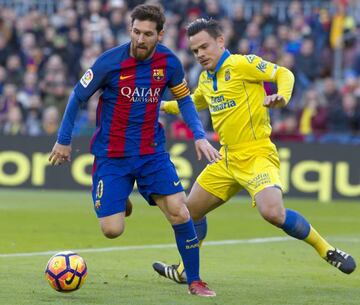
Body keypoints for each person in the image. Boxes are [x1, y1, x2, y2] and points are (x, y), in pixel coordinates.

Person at [152, 18, 356, 284]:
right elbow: (189, 104)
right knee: (188, 213)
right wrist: (160, 106)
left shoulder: (242, 64)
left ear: (220, 41)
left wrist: (282, 95)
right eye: (194, 51)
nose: (200, 54)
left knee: (273, 213)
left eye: (204, 47)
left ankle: (326, 249)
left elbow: (284, 73)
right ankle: (183, 270)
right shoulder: (206, 79)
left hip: (256, 153)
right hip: (226, 158)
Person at [49, 6, 221, 297]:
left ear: (160, 35)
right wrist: (63, 140)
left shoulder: (169, 62)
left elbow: (185, 101)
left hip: (151, 153)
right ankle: (121, 203)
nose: (140, 39)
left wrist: (199, 136)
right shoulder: (108, 62)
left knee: (180, 211)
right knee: (112, 229)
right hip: (112, 156)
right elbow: (77, 97)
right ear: (131, 29)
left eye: (148, 34)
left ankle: (195, 280)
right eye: (136, 32)